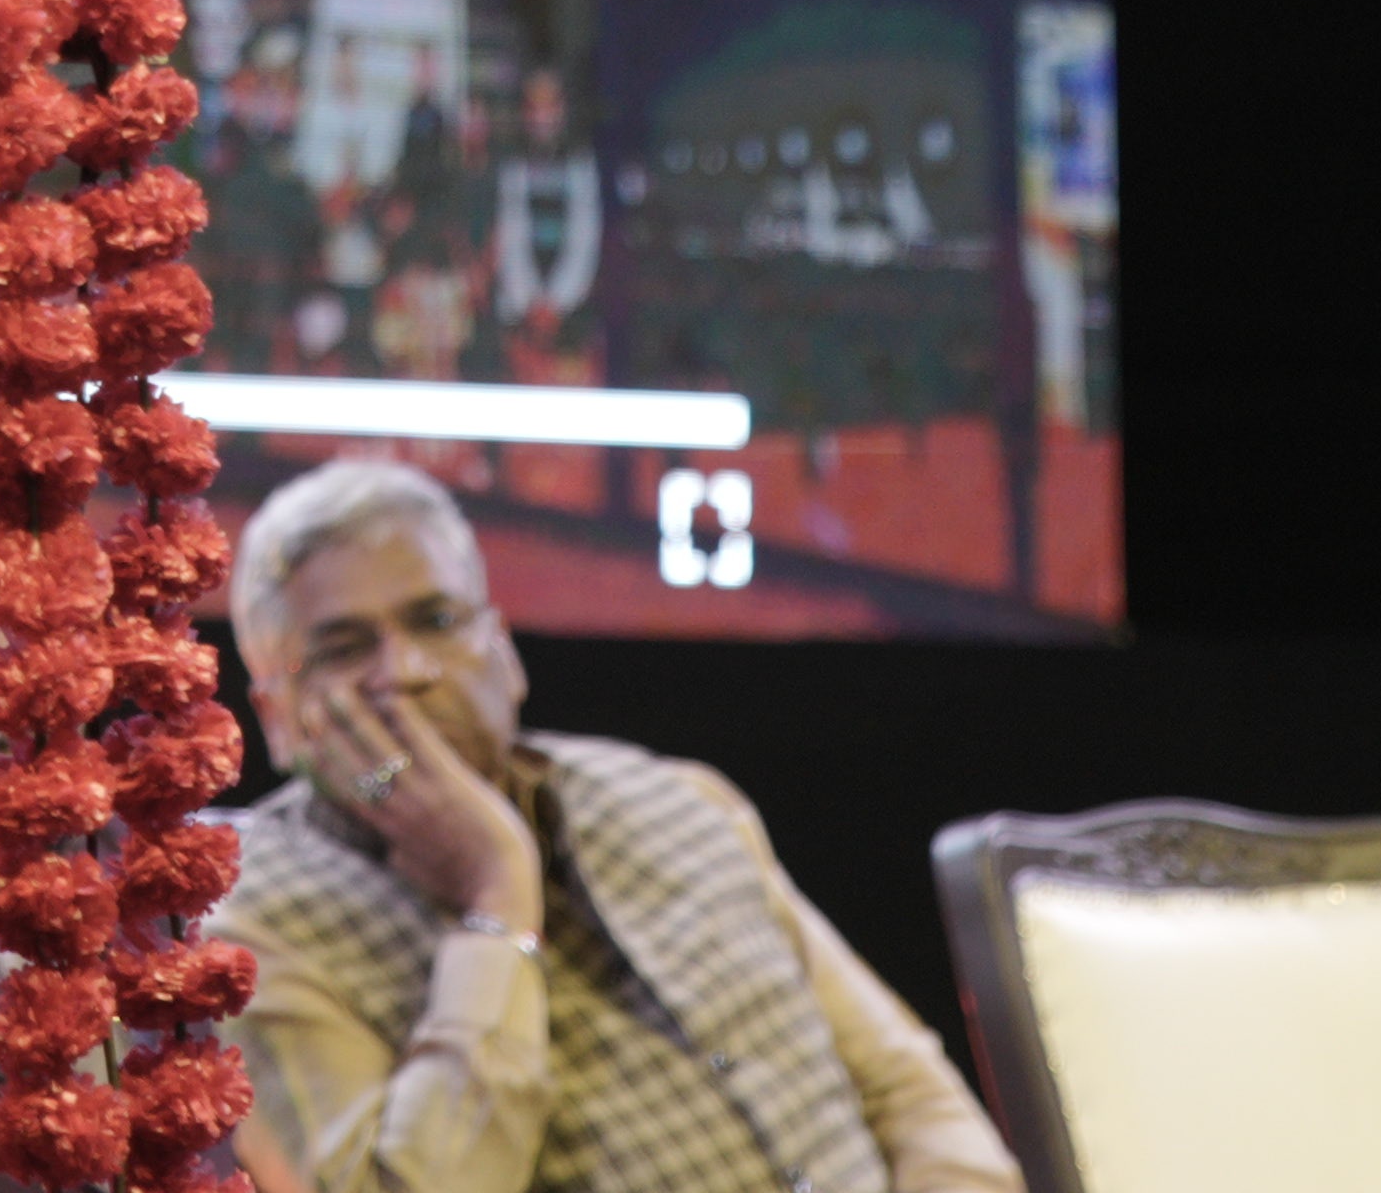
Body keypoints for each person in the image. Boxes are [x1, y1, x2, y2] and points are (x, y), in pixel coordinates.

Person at [222, 456, 1019, 1193]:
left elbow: (907, 1090)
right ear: (278, 718)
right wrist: (496, 900)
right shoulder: (252, 935)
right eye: (344, 650)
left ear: (502, 651)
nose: (406, 673)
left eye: (436, 620)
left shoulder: (680, 799)